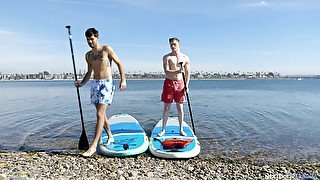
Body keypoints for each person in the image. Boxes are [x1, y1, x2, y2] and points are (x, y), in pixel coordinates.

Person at [74, 28, 126, 157]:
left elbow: (119, 63)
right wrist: (81, 84)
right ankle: (110, 136)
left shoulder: (106, 49)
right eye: (87, 39)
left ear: (97, 37)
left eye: (92, 39)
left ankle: (93, 146)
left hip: (106, 83)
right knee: (102, 115)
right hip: (95, 84)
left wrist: (123, 80)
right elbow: (89, 72)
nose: (90, 41)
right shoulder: (88, 55)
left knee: (99, 114)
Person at [158, 37, 190, 137]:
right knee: (166, 107)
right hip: (169, 83)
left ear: (179, 45)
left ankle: (181, 129)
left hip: (180, 84)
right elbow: (166, 71)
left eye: (174, 44)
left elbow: (188, 73)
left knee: (180, 107)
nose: (172, 46)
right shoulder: (167, 57)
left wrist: (186, 85)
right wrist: (177, 71)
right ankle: (163, 129)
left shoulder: (185, 58)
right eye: (171, 44)